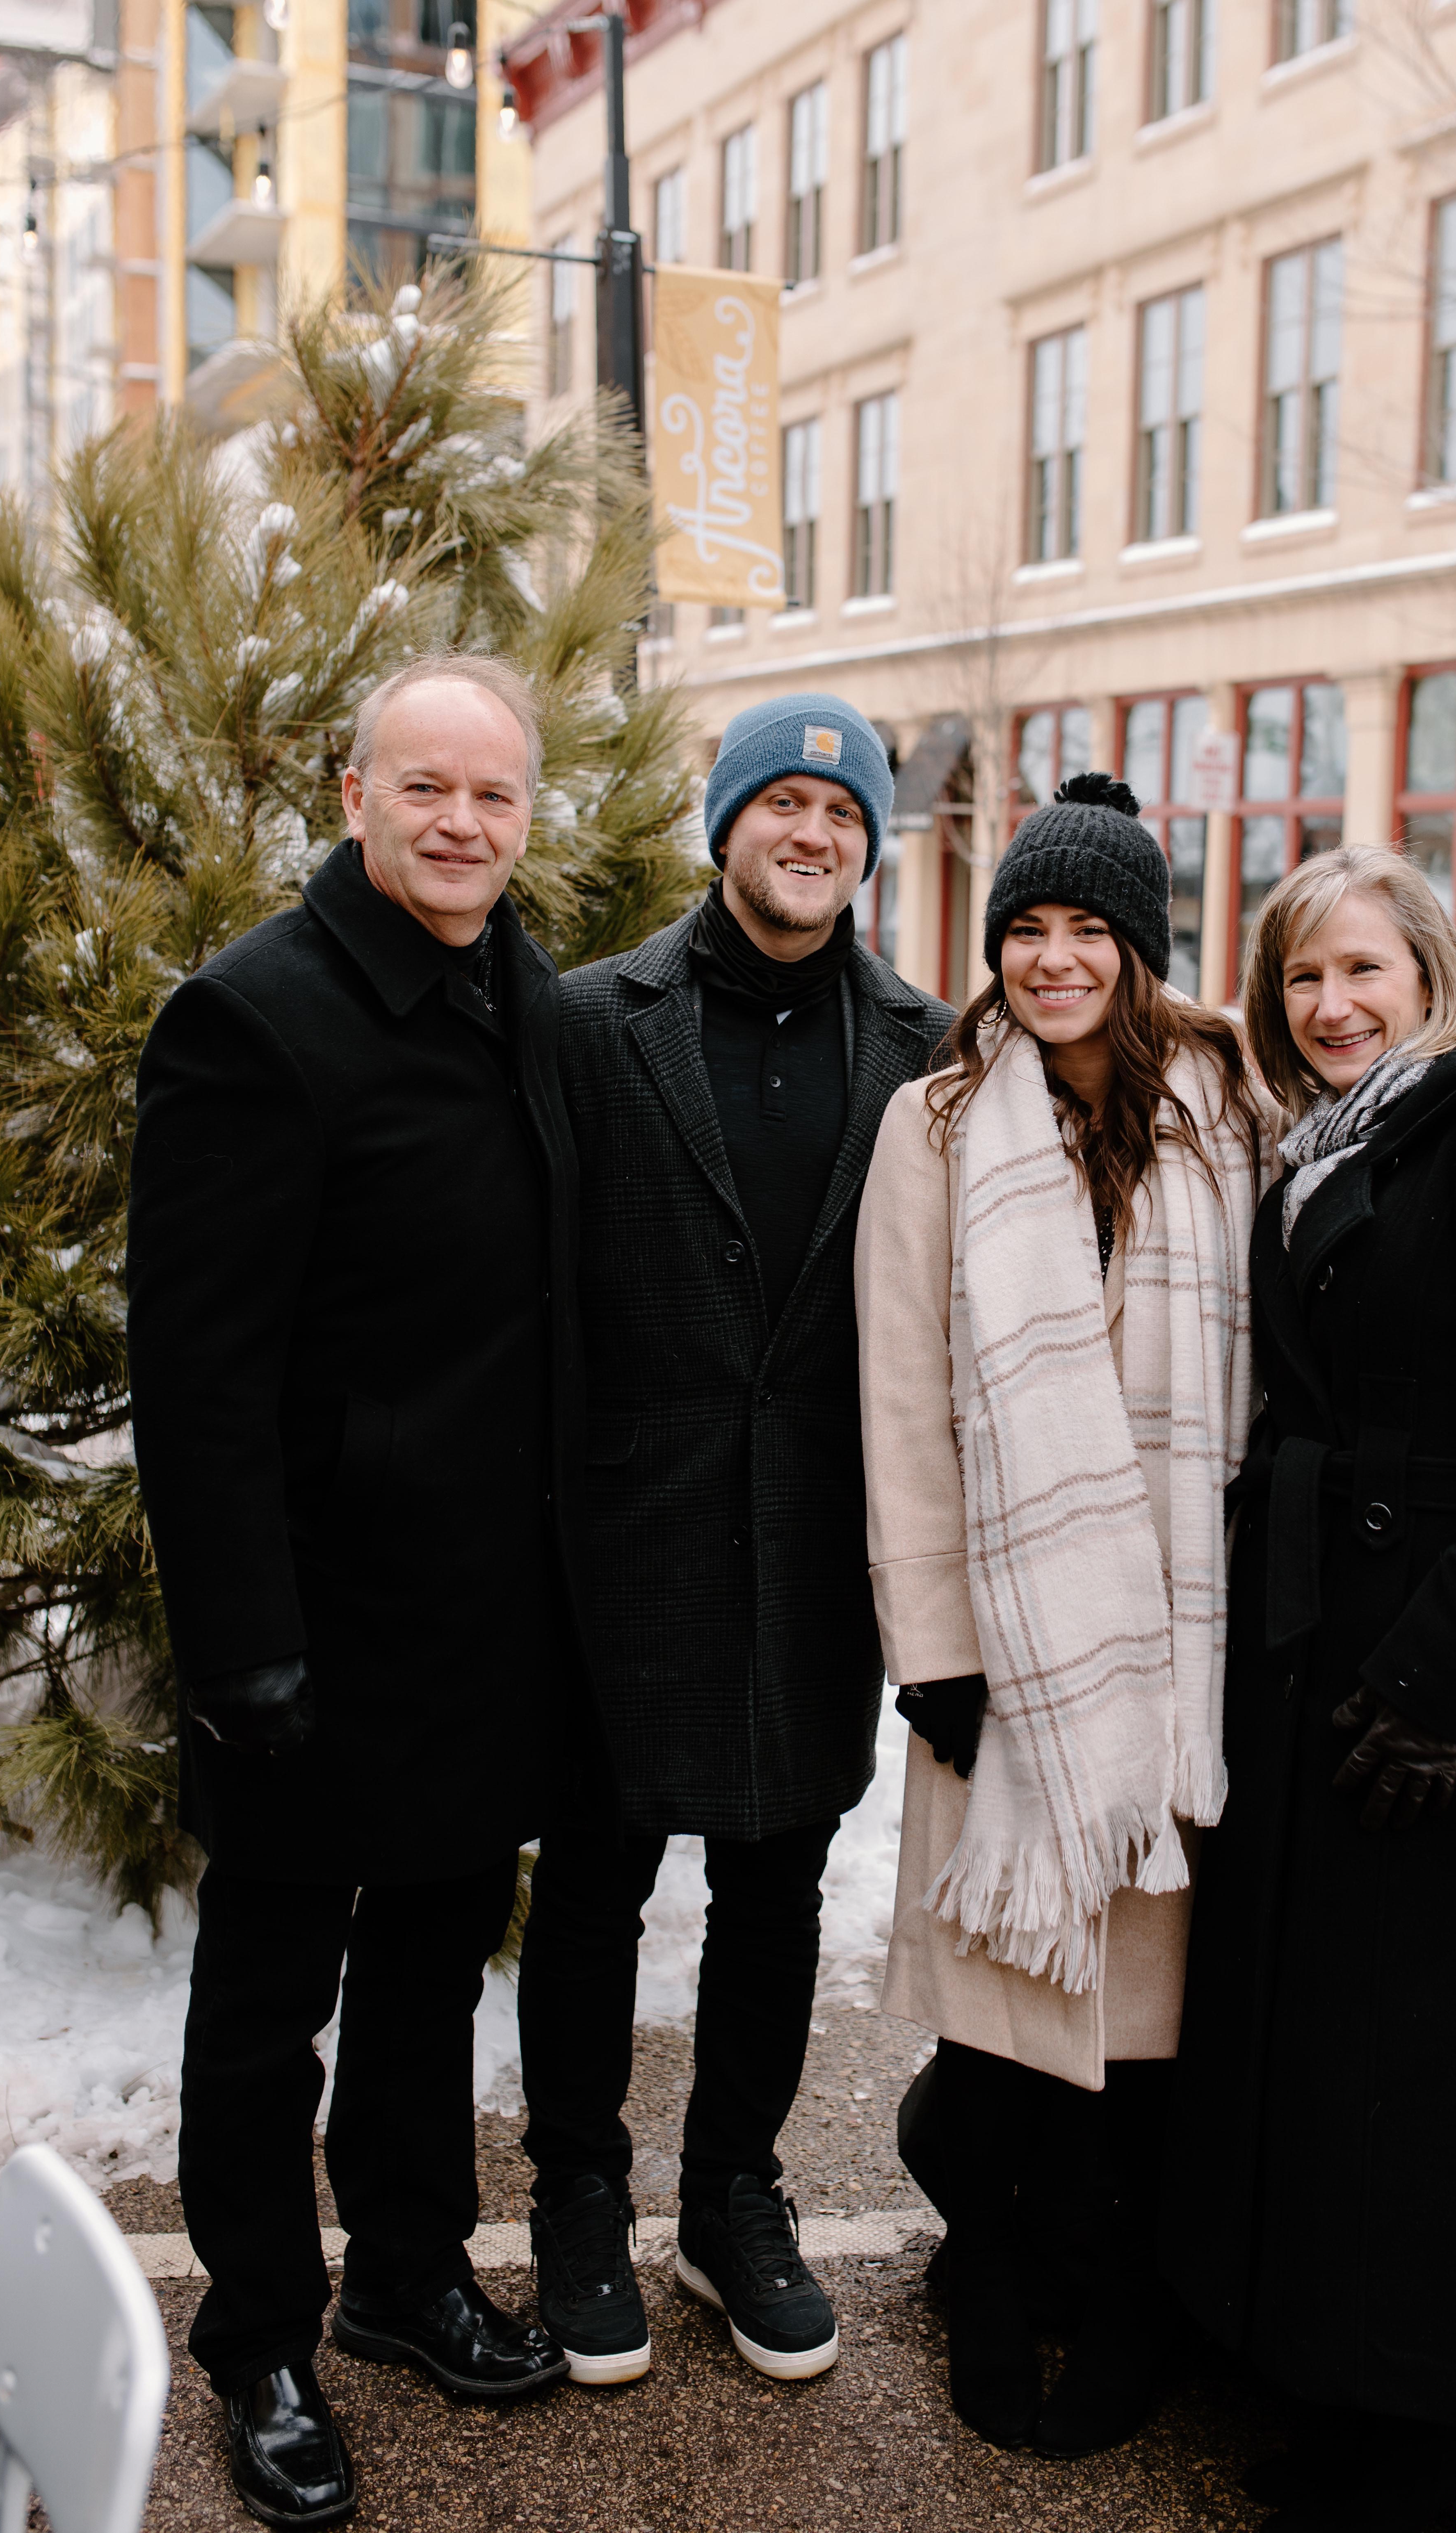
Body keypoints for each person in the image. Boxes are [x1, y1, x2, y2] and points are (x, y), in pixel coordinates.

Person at [126, 652, 587, 2529]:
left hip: (488, 1622)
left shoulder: (528, 1001)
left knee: (422, 1979)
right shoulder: (256, 1019)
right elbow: (200, 1372)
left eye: (492, 793)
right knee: (268, 2002)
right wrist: (244, 1646)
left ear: (525, 815)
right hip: (311, 1634)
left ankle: (405, 2273)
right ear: (353, 795)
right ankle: (261, 2343)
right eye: (426, 788)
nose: (460, 821)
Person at [1163, 843, 1456, 2533]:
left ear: (1431, 971)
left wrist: (1439, 1683)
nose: (1332, 1003)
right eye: (1301, 977)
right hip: (1309, 1658)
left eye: (1363, 969)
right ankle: (1340, 2382)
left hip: (1438, 1687)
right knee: (1329, 2041)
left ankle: (1438, 2443)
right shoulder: (1318, 1150)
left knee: (1435, 2064)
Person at [518, 692, 953, 2391]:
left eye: (844, 817)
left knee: (775, 1894)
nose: (814, 835)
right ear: (726, 828)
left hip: (814, 1550)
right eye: (782, 804)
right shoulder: (591, 1021)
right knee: (598, 1893)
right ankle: (576, 2197)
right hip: (621, 1541)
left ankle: (729, 2198)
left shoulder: (925, 1047)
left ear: (868, 850)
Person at [851, 770, 1266, 2456]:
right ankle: (996, 2273)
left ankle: (1124, 2293)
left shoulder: (1220, 1109)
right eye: (1025, 927)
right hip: (1009, 1647)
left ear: (1143, 950)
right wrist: (935, 1650)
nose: (1052, 958)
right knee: (1010, 2013)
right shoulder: (937, 1124)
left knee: (1150, 2035)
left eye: (1089, 926)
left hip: (1174, 1638)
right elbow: (898, 1402)